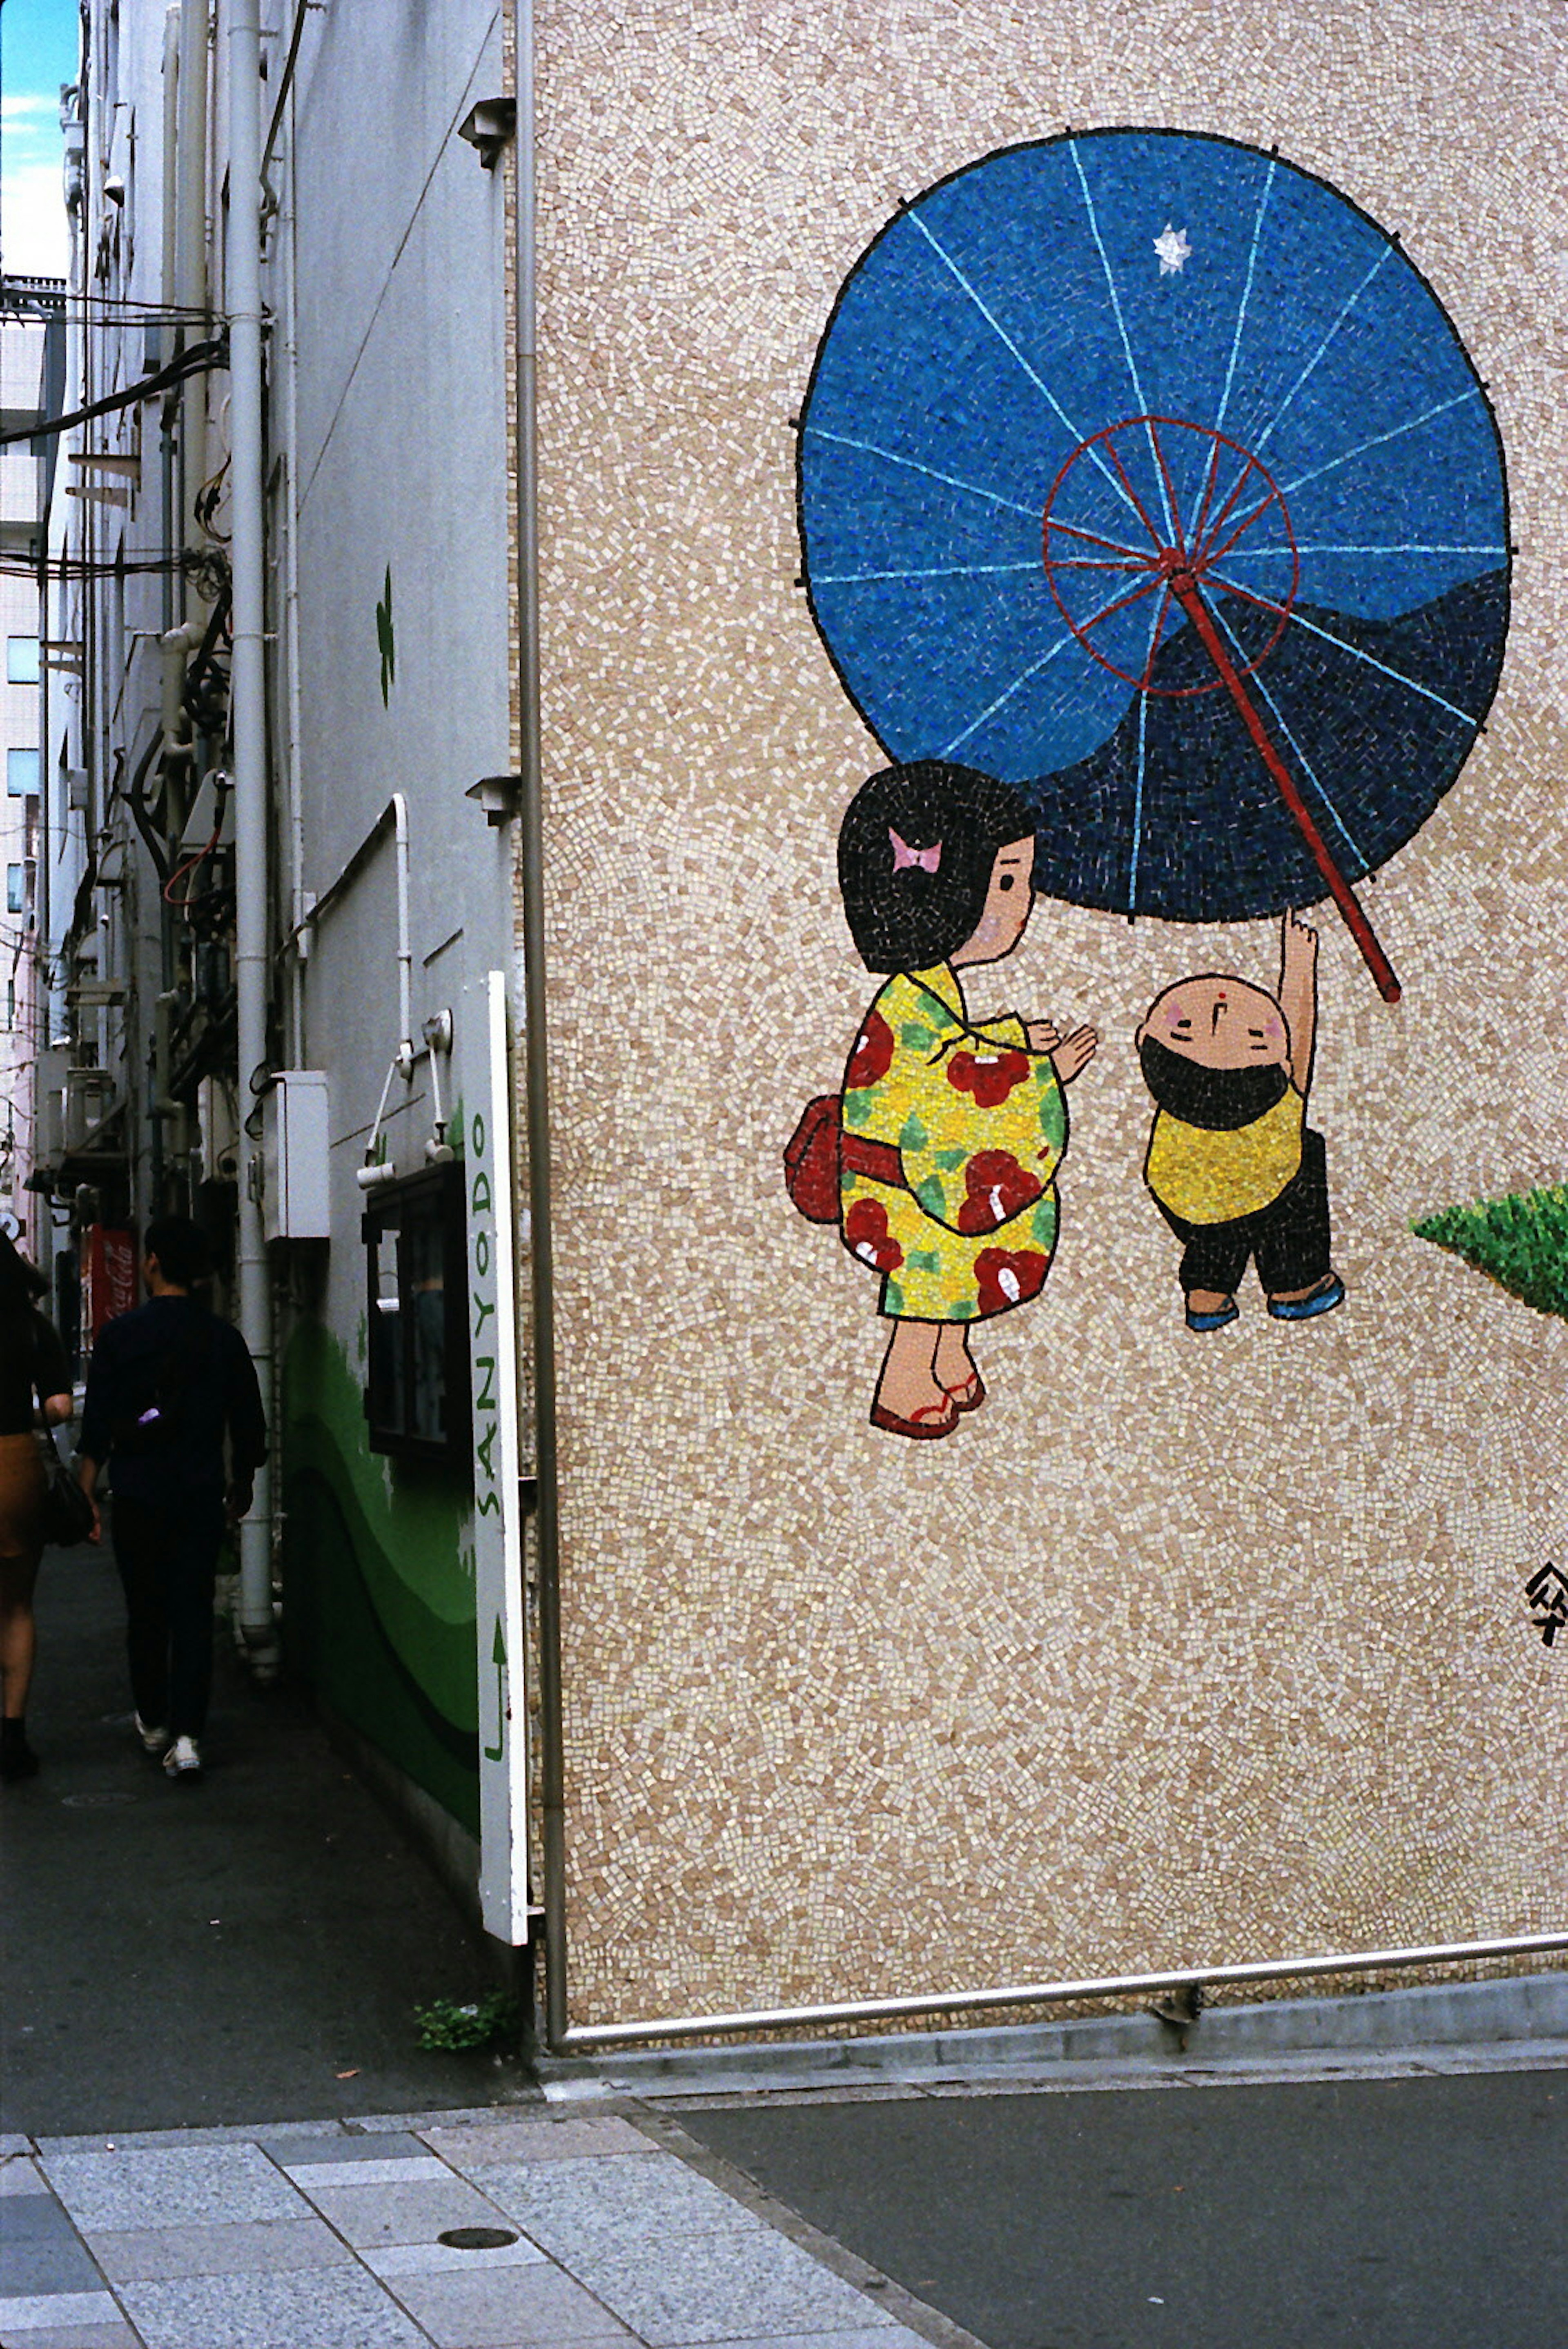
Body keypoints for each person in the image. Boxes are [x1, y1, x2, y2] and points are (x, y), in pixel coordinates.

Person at [833, 761, 1097, 1438]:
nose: (1022, 902)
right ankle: (906, 1378)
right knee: (930, 1278)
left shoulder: (927, 989)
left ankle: (950, 1357)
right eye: (1007, 880)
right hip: (905, 1186)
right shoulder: (909, 999)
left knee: (961, 1262)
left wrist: (1009, 1038)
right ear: (945, 891)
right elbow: (949, 1082)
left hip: (918, 1169)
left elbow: (956, 1050)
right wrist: (1042, 1074)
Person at [77, 1215, 267, 1779]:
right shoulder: (224, 1340)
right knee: (192, 1610)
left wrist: (87, 1495)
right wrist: (244, 1482)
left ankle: (154, 1719)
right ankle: (187, 1737)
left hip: (138, 1495)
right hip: (199, 1494)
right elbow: (249, 1424)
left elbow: (97, 1429)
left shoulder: (119, 1338)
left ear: (153, 1261)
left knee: (146, 1611)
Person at [1135, 908, 1345, 1332]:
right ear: (1279, 1062)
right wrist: (1300, 967)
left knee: (1218, 1223)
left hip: (1183, 1194)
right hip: (1259, 1184)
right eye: (1188, 1027)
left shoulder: (1178, 1091)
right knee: (1301, 1159)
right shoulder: (1281, 1100)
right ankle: (1296, 1283)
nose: (1219, 1011)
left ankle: (1207, 1293)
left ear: (1145, 1040)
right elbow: (1300, 1032)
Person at [0, 1229, 74, 1782]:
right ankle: (13, 1738)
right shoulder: (31, 1327)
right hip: (13, 1465)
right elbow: (60, 1407)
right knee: (17, 1606)